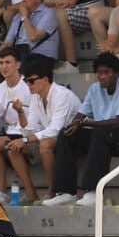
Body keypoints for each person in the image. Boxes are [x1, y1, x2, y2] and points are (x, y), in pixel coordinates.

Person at [68, 53, 119, 207]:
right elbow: (81, 114)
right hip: (105, 136)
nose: (102, 76)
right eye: (99, 73)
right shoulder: (94, 89)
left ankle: (91, 191)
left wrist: (87, 123)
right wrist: (75, 124)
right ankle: (65, 192)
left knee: (99, 132)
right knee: (67, 135)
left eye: (107, 72)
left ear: (117, 73)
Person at [24, 55, 88, 208]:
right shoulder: (35, 98)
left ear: (45, 79)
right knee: (11, 147)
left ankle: (54, 191)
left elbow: (56, 129)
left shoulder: (61, 95)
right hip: (58, 137)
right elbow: (31, 127)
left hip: (75, 138)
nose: (28, 85)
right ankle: (30, 193)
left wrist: (27, 139)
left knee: (44, 145)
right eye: (26, 81)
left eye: (31, 81)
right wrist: (23, 134)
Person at [0, 47, 37, 205]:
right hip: (12, 132)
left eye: (8, 62)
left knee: (7, 145)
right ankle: (1, 192)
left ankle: (31, 193)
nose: (4, 66)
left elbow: (35, 120)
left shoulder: (29, 86)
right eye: (1, 63)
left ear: (18, 65)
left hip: (31, 132)